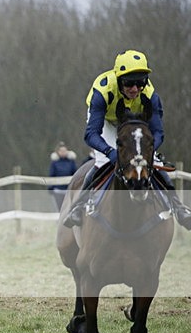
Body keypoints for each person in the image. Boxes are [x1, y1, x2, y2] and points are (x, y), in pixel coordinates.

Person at [64, 50, 191, 229]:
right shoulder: (103, 91)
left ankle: (178, 207)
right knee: (102, 162)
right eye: (129, 83)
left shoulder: (150, 95)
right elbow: (91, 134)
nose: (135, 89)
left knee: (151, 162)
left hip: (135, 122)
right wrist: (110, 152)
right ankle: (78, 206)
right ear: (119, 80)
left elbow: (158, 133)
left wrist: (148, 152)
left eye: (140, 83)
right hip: (106, 122)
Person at [48, 141, 77, 210]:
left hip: (69, 190)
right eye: (61, 151)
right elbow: (52, 175)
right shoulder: (54, 163)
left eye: (64, 150)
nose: (63, 152)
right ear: (58, 152)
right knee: (59, 208)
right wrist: (50, 187)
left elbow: (75, 174)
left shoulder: (71, 162)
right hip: (57, 190)